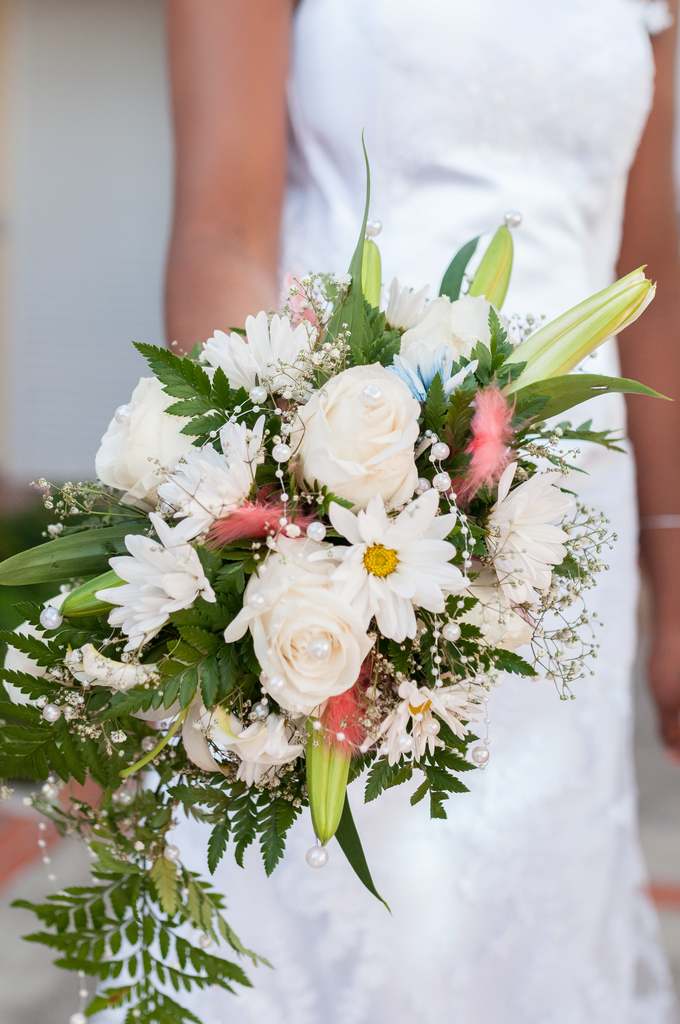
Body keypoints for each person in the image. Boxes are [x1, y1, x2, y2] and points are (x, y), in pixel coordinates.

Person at [159, 2, 680, 1021]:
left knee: (538, 913)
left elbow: (646, 265)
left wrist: (674, 561)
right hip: (345, 518)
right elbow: (222, 233)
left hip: (572, 545)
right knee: (365, 917)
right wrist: (279, 534)